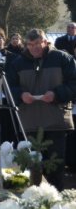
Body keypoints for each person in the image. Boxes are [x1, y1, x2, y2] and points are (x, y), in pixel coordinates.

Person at [8, 29, 76, 190]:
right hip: (29, 122)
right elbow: (9, 86)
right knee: (29, 166)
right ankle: (30, 200)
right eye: (30, 44)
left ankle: (56, 199)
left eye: (38, 43)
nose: (34, 48)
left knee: (55, 167)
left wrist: (56, 94)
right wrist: (20, 94)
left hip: (56, 121)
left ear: (45, 42)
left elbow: (73, 83)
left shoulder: (63, 58)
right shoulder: (17, 63)